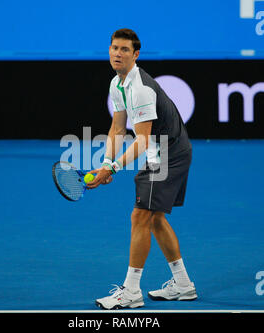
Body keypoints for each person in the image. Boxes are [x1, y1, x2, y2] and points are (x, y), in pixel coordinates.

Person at [86, 28, 197, 310]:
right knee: (154, 217)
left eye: (124, 50)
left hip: (168, 153)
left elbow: (143, 139)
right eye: (114, 48)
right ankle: (183, 285)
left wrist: (113, 168)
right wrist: (106, 163)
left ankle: (131, 291)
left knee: (140, 216)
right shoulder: (117, 84)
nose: (117, 54)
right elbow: (117, 128)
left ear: (135, 55)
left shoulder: (141, 89)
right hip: (164, 149)